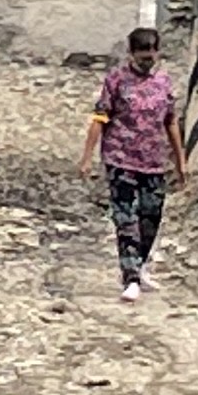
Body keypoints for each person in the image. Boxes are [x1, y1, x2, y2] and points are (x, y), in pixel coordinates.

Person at [81, 26, 180, 300]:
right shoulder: (116, 81)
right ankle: (131, 277)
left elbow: (171, 121)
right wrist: (87, 157)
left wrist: (181, 161)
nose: (148, 59)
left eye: (152, 54)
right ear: (132, 53)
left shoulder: (163, 82)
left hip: (154, 162)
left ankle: (140, 264)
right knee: (126, 220)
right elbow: (100, 118)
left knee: (151, 218)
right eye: (142, 54)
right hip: (120, 159)